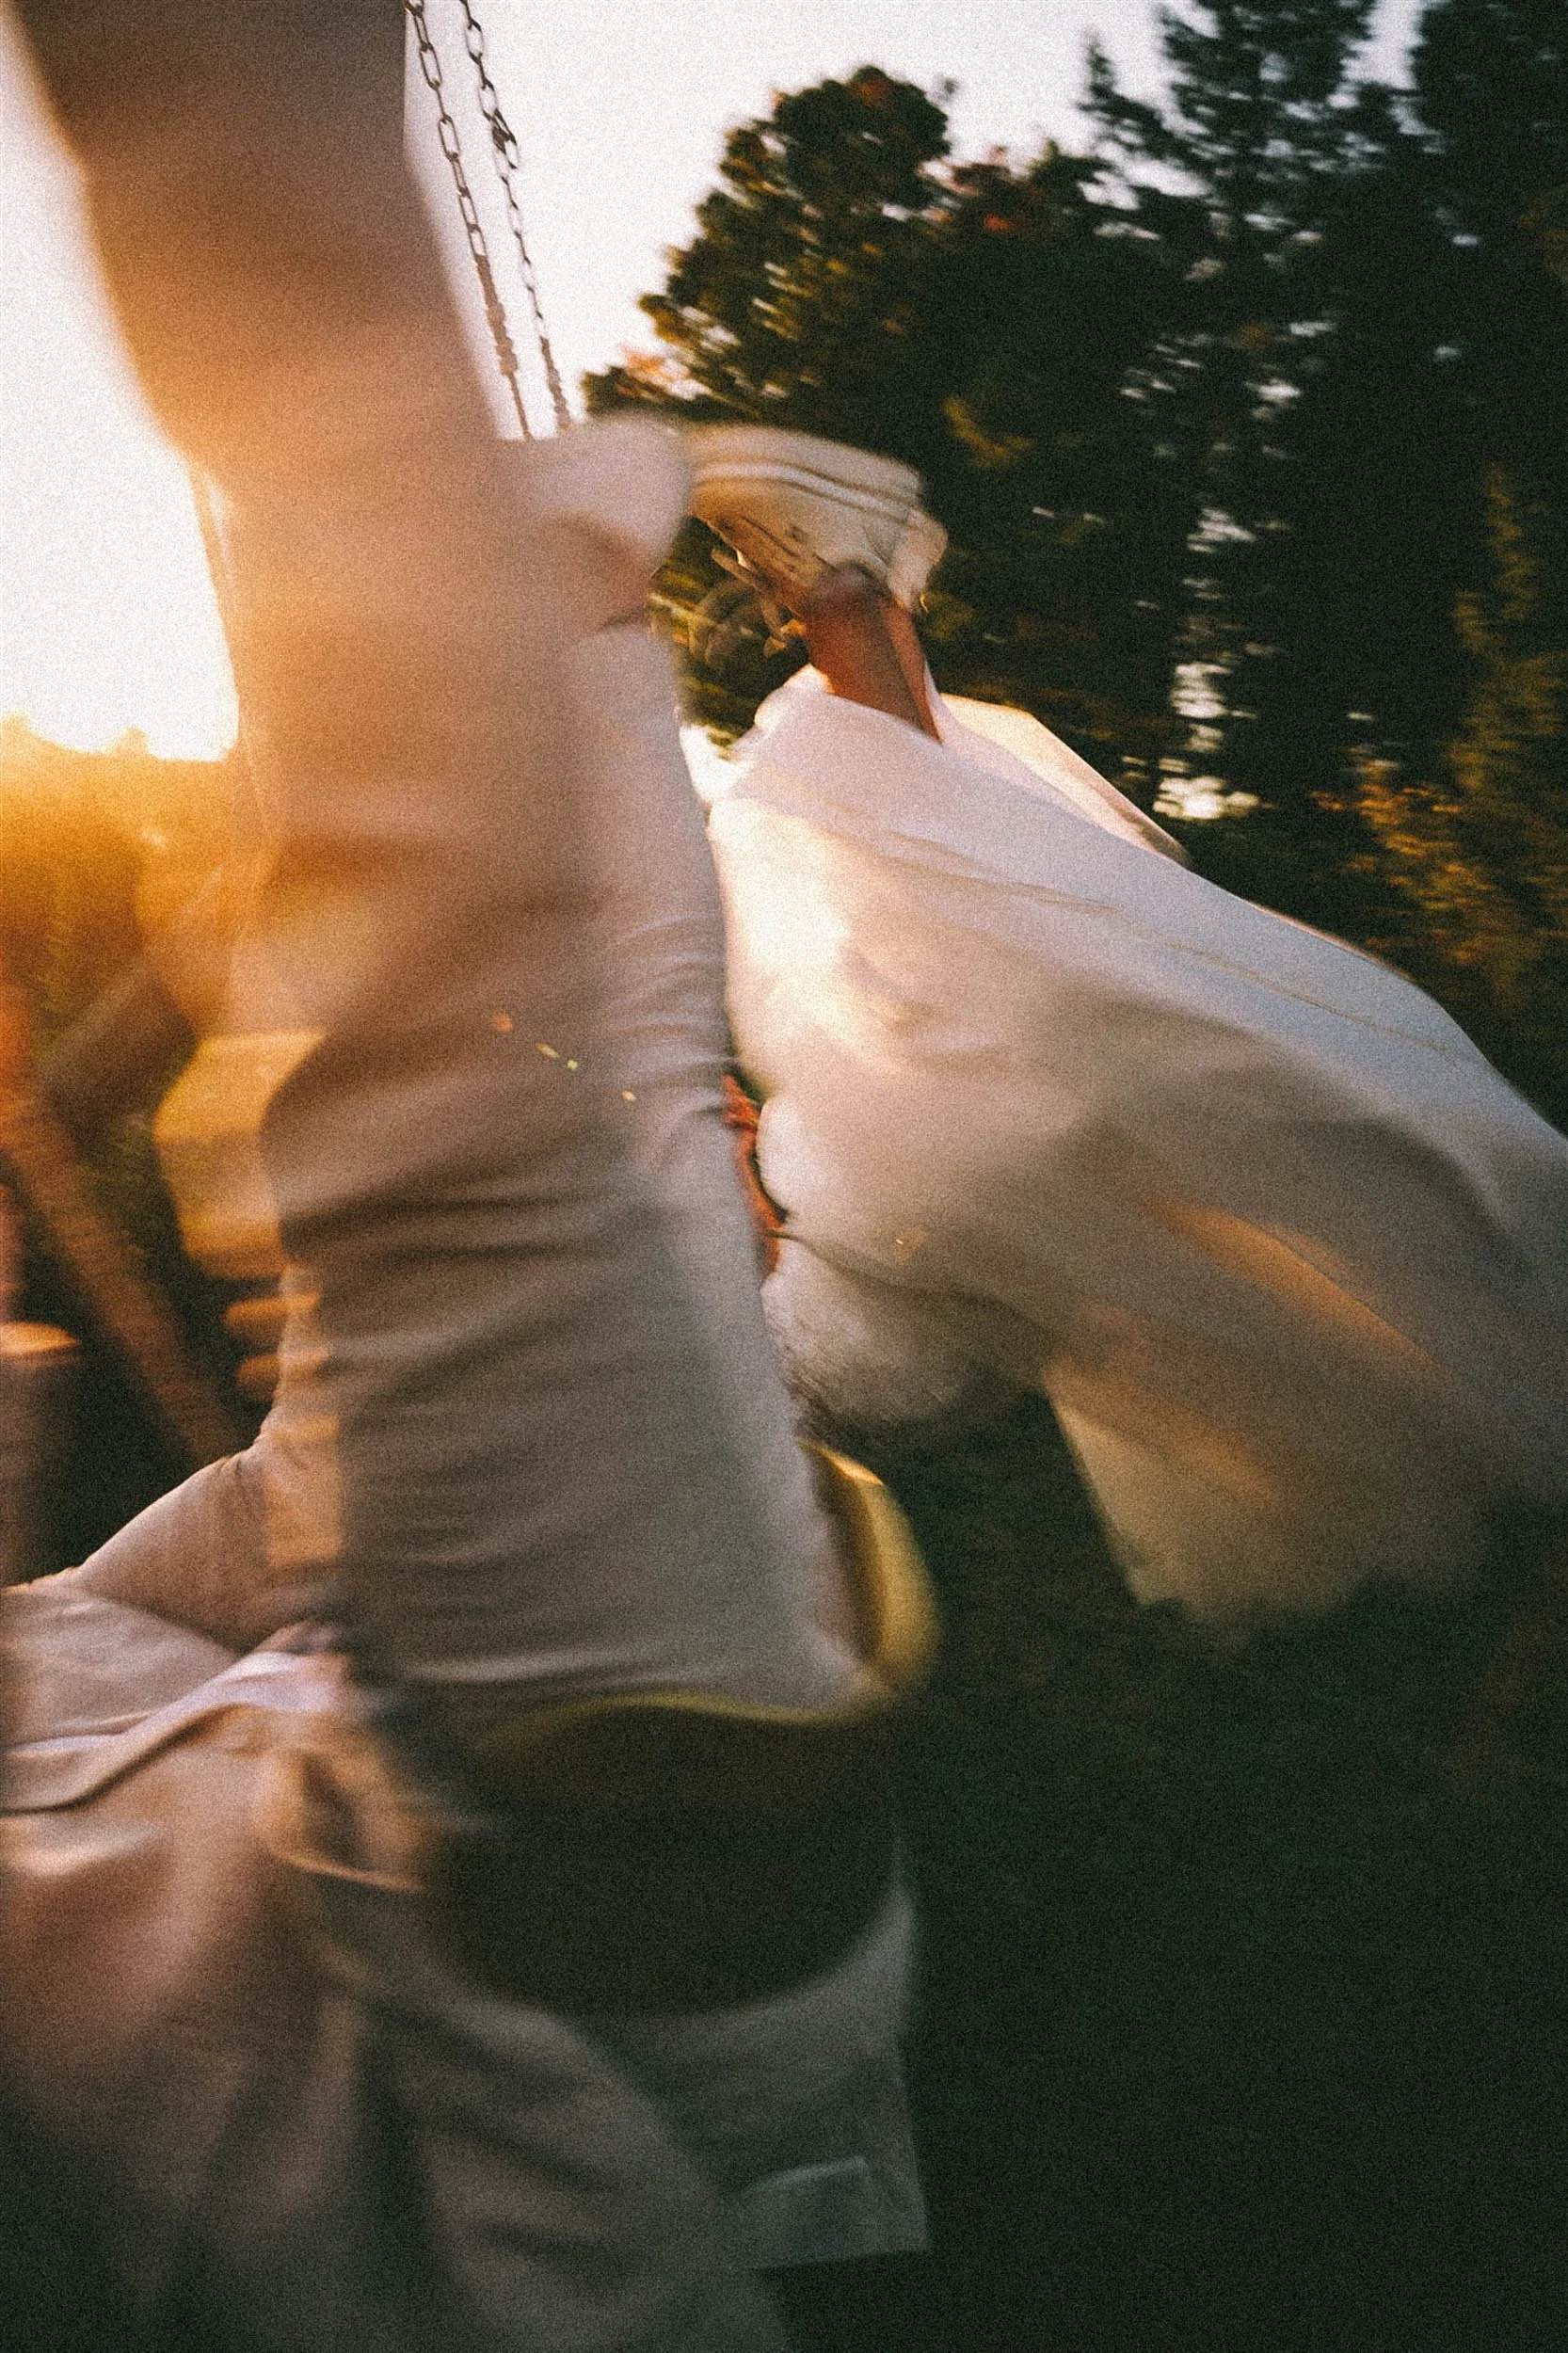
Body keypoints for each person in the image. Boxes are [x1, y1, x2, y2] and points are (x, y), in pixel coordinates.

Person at [2, 9, 930, 2345]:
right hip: (617, 1915)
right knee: (473, 1076)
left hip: (463, 1783)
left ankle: (555, 599)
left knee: (478, 1098)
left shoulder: (86, 1641)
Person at [687, 425, 1568, 1622]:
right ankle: (845, 590)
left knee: (994, 970)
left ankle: (858, 595)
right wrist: (724, 1162)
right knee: (956, 964)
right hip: (876, 1304)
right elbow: (737, 1274)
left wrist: (724, 1157)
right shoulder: (699, 1405)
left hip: (908, 1300)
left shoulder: (651, 1423)